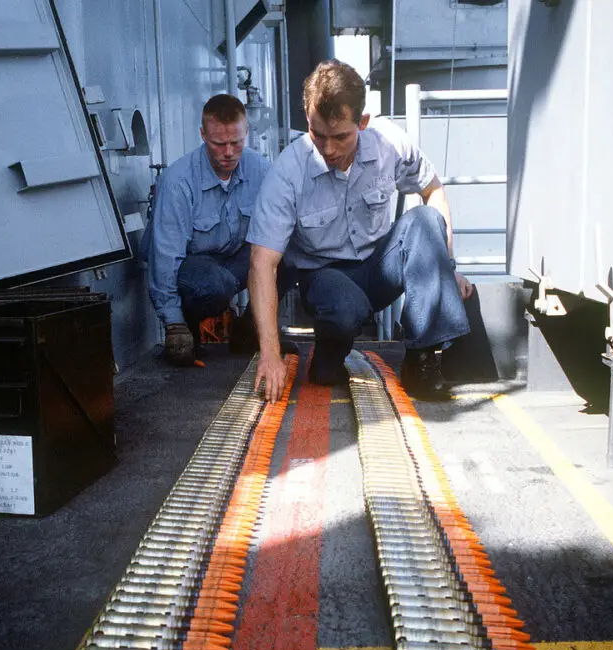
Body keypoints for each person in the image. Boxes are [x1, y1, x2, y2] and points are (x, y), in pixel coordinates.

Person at [246, 59, 474, 403]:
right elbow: (262, 263)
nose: (328, 149)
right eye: (317, 134)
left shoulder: (390, 144)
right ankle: (327, 359)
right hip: (325, 276)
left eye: (340, 137)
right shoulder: (287, 171)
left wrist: (447, 267)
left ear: (363, 122)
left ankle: (421, 360)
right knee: (342, 313)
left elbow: (434, 190)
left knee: (425, 221)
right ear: (307, 119)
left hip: (380, 265)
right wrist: (270, 353)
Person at [146, 93, 269, 366]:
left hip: (233, 260)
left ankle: (250, 329)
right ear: (203, 135)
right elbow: (165, 257)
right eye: (218, 143)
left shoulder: (261, 170)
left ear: (246, 132)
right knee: (215, 284)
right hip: (193, 269)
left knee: (290, 249)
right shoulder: (178, 182)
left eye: (236, 142)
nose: (228, 152)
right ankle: (188, 326)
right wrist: (173, 323)